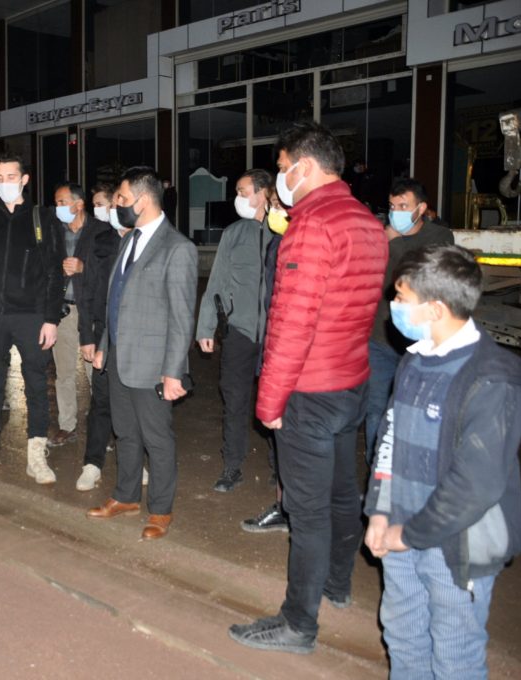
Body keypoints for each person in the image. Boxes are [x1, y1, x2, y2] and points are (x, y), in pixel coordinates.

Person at [229, 121, 387, 653]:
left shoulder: (312, 223)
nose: (279, 177)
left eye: (281, 167)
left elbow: (291, 323)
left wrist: (270, 402)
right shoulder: (365, 221)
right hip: (351, 382)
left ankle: (298, 622)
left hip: (311, 390)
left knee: (308, 509)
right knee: (344, 494)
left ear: (306, 167)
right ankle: (337, 586)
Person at [364, 244, 521, 678]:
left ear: (434, 310)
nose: (392, 307)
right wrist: (379, 511)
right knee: (404, 638)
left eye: (402, 299)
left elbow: (477, 484)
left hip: (456, 546)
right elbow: (390, 437)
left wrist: (408, 534)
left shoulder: (491, 377)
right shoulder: (414, 361)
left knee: (454, 655)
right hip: (400, 532)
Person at [87, 166, 198, 540]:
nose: (117, 204)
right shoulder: (127, 240)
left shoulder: (178, 248)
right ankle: (126, 496)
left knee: (157, 438)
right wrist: (105, 347)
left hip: (153, 364)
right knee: (126, 433)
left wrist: (174, 372)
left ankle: (161, 510)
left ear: (143, 200)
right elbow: (114, 301)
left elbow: (183, 318)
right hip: (119, 356)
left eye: (121, 199)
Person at [0, 152, 64, 484]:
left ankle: (36, 455)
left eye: (10, 177)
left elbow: (54, 274)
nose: (3, 184)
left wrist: (51, 319)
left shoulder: (42, 218)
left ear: (24, 180)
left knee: (35, 384)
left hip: (31, 315)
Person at [195, 169, 276, 493]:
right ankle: (232, 465)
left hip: (277, 334)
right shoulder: (233, 233)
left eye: (243, 192)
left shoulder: (286, 231)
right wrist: (206, 327)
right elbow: (217, 282)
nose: (237, 198)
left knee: (275, 403)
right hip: (239, 331)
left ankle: (280, 467)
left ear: (263, 194)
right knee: (234, 399)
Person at [364, 179, 453, 463]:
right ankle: (376, 473)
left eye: (404, 206)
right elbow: (375, 283)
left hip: (421, 342)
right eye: (392, 206)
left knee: (419, 410)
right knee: (376, 409)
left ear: (421, 208)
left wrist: (392, 242)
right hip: (380, 338)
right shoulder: (383, 237)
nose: (396, 212)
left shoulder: (440, 237)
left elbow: (416, 279)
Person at [240, 195, 290, 534]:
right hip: (276, 349)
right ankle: (285, 507)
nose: (273, 212)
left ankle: (293, 510)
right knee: (282, 443)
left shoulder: (302, 242)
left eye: (278, 205)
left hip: (295, 358)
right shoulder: (278, 244)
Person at [74, 182, 125, 491]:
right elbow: (88, 291)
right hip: (102, 333)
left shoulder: (139, 239)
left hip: (131, 339)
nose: (107, 210)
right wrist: (87, 335)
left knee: (131, 407)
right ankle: (92, 464)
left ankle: (131, 463)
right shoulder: (99, 241)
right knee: (101, 403)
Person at [49, 182, 105, 448]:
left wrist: (84, 267)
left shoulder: (100, 231)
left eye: (62, 203)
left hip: (90, 311)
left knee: (96, 371)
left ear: (79, 204)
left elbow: (110, 273)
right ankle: (66, 424)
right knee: (63, 372)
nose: (57, 208)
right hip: (63, 310)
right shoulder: (55, 233)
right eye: (56, 203)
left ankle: (104, 427)